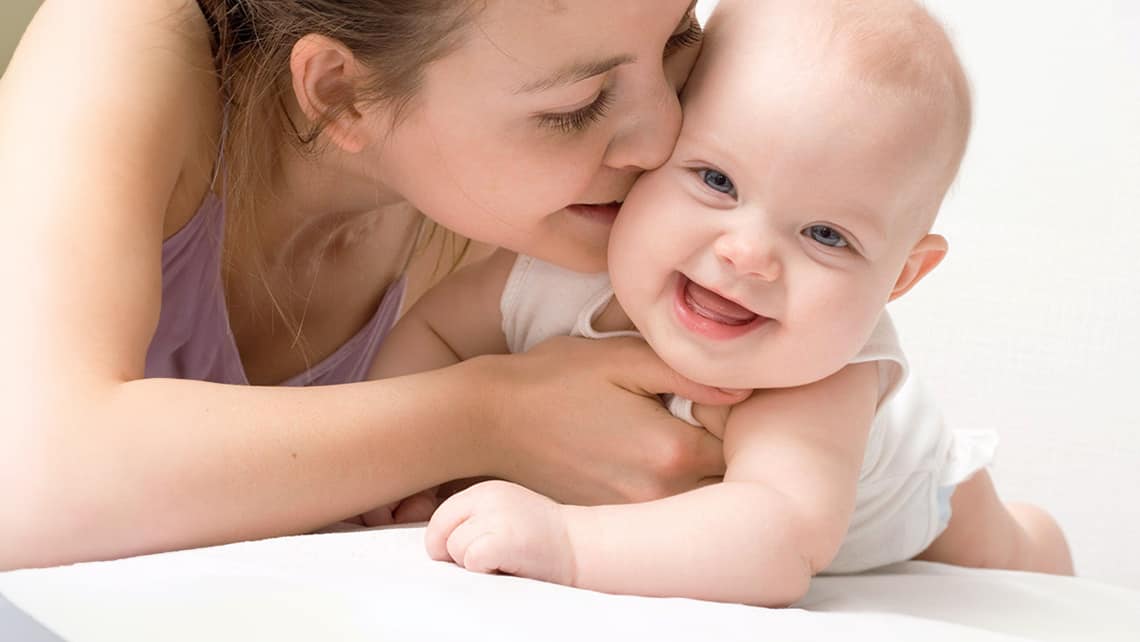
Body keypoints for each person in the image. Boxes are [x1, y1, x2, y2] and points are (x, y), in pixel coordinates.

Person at [365, 0, 1074, 606]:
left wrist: (569, 544)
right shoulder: (554, 270)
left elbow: (777, 538)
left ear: (900, 278)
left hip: (913, 488)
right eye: (715, 180)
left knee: (1004, 551)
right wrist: (398, 476)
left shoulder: (821, 373)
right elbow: (434, 334)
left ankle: (1036, 538)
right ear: (655, 150)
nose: (748, 254)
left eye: (827, 234)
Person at [0, 0, 753, 570]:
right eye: (574, 107)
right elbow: (28, 483)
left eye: (679, 36)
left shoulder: (550, 200)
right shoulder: (130, 37)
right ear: (340, 95)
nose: (664, 136)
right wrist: (489, 415)